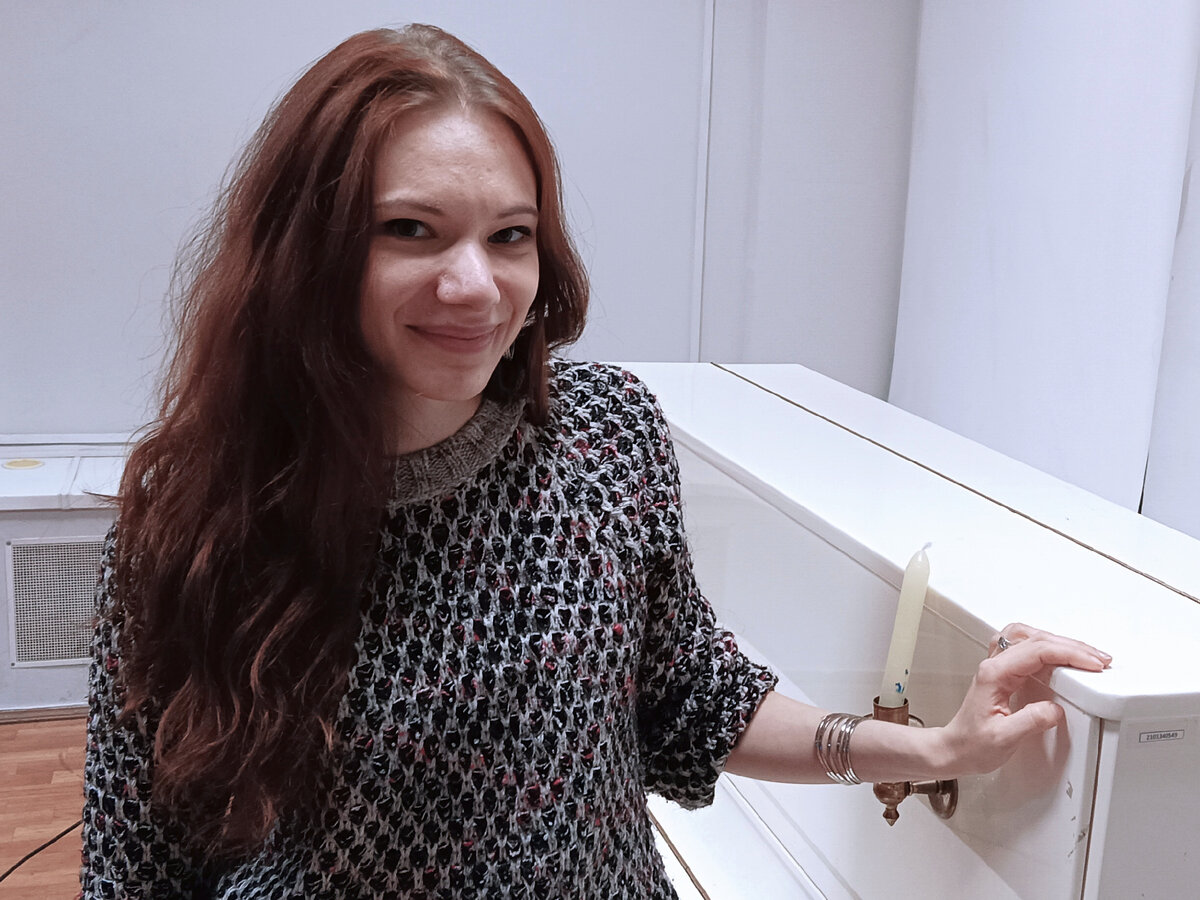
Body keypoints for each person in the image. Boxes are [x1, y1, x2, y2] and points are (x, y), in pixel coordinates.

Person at [79, 24, 1111, 900]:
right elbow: (137, 871)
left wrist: (929, 749)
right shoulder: (196, 524)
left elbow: (692, 695)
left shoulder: (605, 436)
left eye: (510, 235)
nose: (475, 285)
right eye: (411, 229)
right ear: (306, 253)